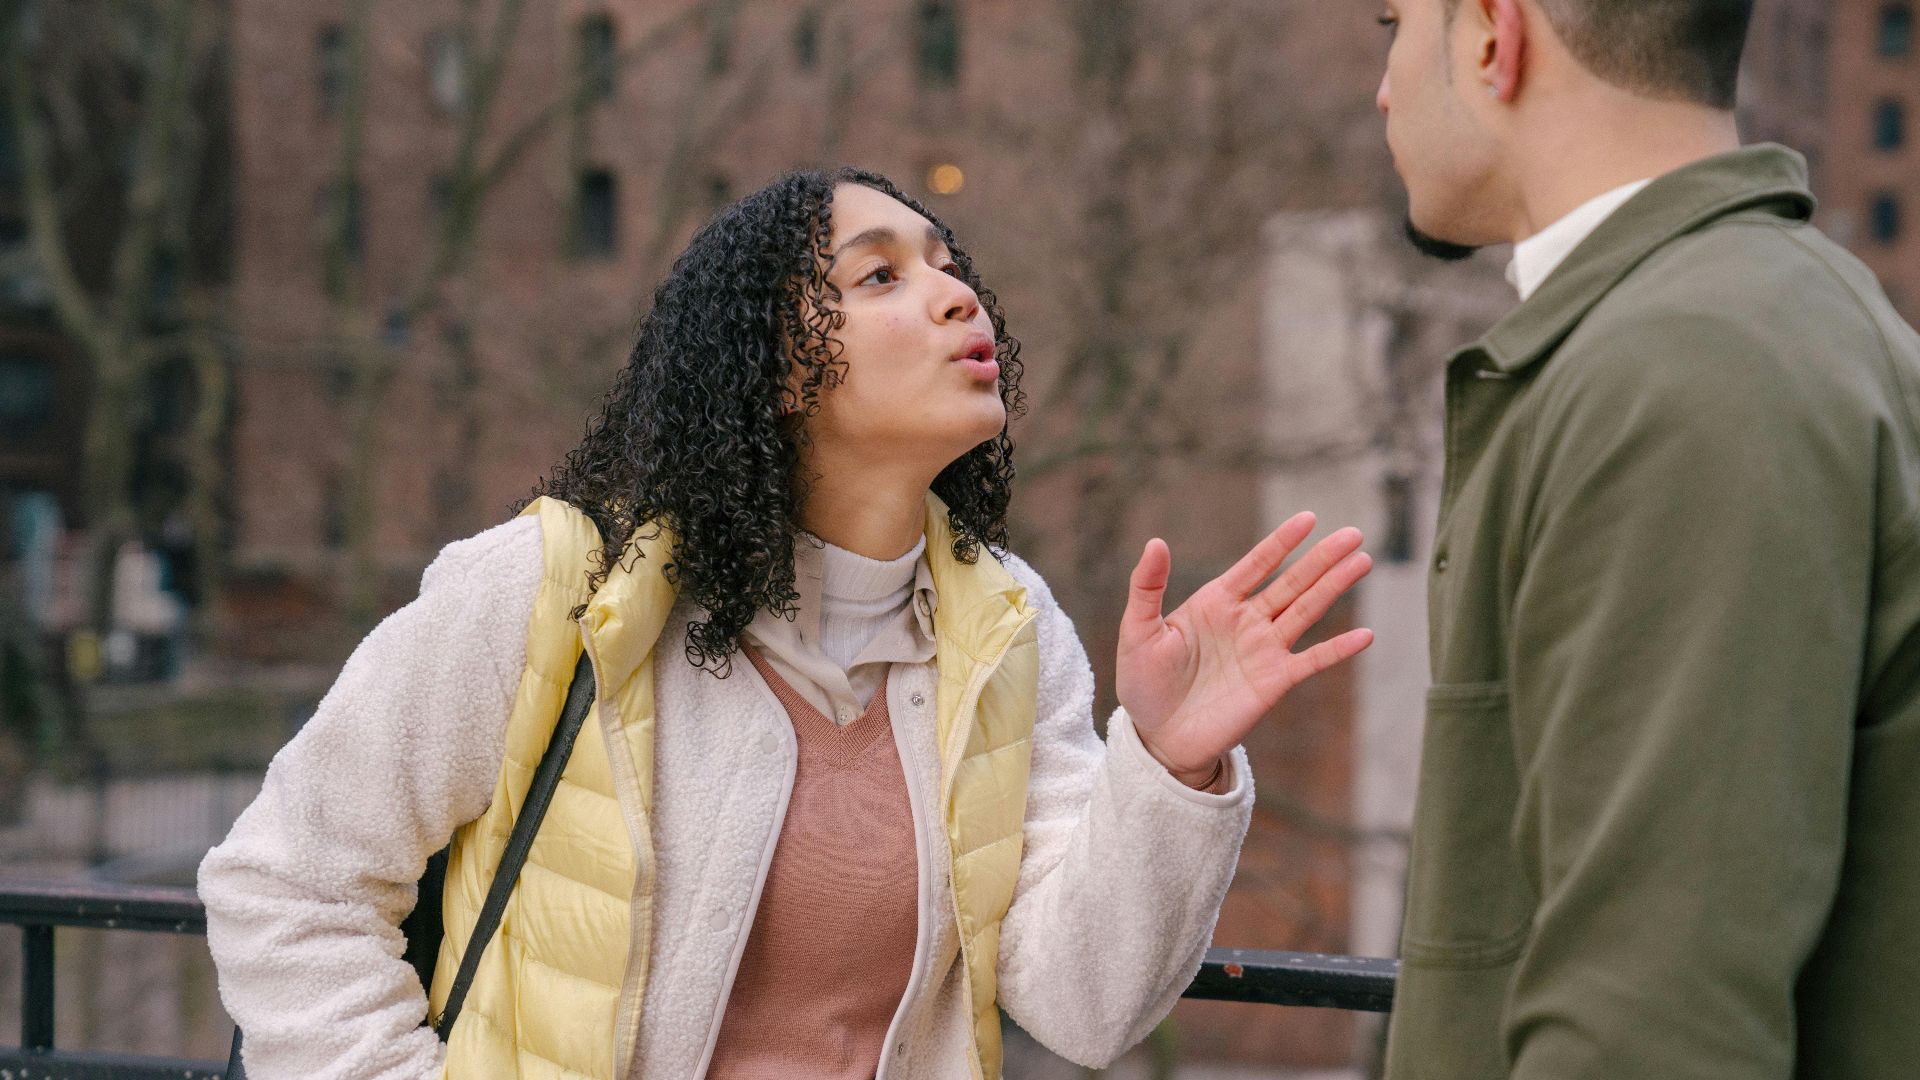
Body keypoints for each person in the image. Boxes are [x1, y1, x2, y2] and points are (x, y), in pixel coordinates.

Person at [198, 167, 1375, 1080]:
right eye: (880, 277)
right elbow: (287, 887)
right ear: (772, 371)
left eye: (948, 264)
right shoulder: (560, 588)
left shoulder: (1008, 632)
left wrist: (1171, 761)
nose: (958, 291)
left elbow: (1082, 998)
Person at [1373, 0, 1920, 1076]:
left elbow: (1648, 1024)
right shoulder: (1737, 330)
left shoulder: (1693, 369)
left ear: (1492, 35)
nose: (1383, 87)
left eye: (1390, 24)